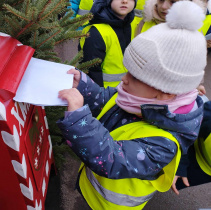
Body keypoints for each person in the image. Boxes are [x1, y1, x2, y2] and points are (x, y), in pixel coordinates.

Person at [57, 1, 207, 209]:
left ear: (165, 91)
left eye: (134, 77)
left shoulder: (163, 143)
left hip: (107, 204)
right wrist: (83, 85)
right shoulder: (138, 99)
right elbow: (105, 98)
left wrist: (79, 120)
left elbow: (111, 159)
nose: (123, 79)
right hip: (90, 187)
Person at [79, 0, 136, 88]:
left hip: (130, 95)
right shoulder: (96, 32)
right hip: (108, 98)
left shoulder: (135, 26)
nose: (124, 1)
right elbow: (92, 72)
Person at [171, 100, 211, 195]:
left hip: (204, 171)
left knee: (174, 182)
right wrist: (180, 163)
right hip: (189, 145)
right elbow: (184, 127)